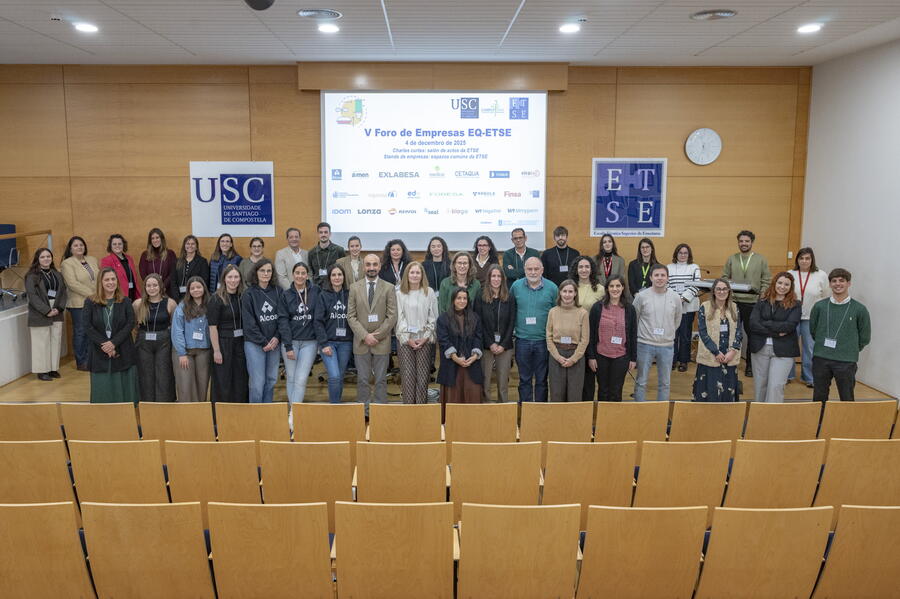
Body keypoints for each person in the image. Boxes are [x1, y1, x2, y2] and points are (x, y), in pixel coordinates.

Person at [809, 268, 871, 402]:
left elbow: (865, 337)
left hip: (846, 360)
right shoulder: (819, 306)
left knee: (846, 397)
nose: (838, 284)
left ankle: (847, 423)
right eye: (834, 281)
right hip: (821, 357)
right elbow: (813, 330)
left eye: (842, 281)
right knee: (819, 396)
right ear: (830, 284)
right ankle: (819, 422)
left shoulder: (859, 309)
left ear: (849, 283)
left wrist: (849, 348)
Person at [347, 254, 397, 412]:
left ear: (379, 266)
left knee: (381, 379)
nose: (371, 268)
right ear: (364, 267)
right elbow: (351, 316)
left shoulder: (388, 287)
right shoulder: (354, 287)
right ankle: (364, 409)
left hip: (381, 341)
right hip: (361, 342)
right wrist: (365, 336)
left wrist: (377, 335)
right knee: (362, 379)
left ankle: (381, 409)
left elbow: (392, 316)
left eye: (375, 264)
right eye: (368, 264)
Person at [84, 267, 139, 403]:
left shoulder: (125, 301)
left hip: (122, 348)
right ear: (100, 282)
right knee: (103, 387)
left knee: (123, 386)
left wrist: (113, 343)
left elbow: (130, 323)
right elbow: (87, 326)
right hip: (99, 350)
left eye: (113, 279)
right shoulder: (90, 302)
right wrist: (105, 344)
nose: (111, 282)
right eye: (107, 279)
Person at [723, 230, 771, 377]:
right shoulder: (732, 258)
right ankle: (731, 362)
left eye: (747, 241)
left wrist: (762, 294)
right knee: (732, 334)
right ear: (738, 242)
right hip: (734, 303)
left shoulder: (760, 259)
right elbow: (724, 277)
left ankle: (750, 365)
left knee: (752, 335)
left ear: (752, 242)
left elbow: (767, 280)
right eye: (741, 241)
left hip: (753, 303)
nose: (744, 244)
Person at [509, 257, 558, 402]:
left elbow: (557, 313)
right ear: (524, 270)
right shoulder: (516, 286)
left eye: (536, 269)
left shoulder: (552, 288)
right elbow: (511, 311)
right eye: (529, 269)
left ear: (542, 270)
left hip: (543, 341)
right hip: (522, 340)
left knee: (542, 380)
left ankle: (540, 411)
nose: (533, 272)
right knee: (524, 379)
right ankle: (525, 409)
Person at [632, 264, 683, 402]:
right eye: (656, 275)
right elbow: (634, 319)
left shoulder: (676, 297)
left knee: (665, 383)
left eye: (663, 275)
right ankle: (639, 410)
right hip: (644, 344)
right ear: (651, 277)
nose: (659, 278)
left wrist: (667, 332)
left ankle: (662, 413)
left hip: (666, 346)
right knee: (641, 381)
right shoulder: (641, 296)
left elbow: (677, 320)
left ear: (667, 278)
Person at [749, 273, 801, 403]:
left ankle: (772, 417)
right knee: (760, 385)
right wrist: (776, 332)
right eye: (780, 283)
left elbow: (789, 326)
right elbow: (753, 323)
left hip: (784, 350)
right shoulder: (762, 301)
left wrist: (766, 323)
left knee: (776, 386)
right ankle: (758, 415)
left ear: (791, 287)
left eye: (786, 284)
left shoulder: (796, 304)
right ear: (774, 283)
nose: (782, 286)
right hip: (760, 348)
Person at [587, 275, 637, 402]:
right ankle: (602, 419)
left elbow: (632, 334)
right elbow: (591, 334)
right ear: (607, 289)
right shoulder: (597, 308)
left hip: (621, 356)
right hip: (601, 355)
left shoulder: (630, 309)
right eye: (612, 286)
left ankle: (613, 420)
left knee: (616, 390)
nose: (615, 289)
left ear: (623, 288)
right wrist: (591, 357)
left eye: (618, 286)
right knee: (603, 390)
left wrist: (633, 358)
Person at [278, 262, 320, 408]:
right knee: (291, 377)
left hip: (310, 342)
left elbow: (319, 317)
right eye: (297, 273)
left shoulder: (316, 291)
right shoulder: (286, 294)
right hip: (291, 343)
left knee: (301, 379)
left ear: (307, 275)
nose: (300, 276)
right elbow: (283, 321)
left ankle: (294, 413)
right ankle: (293, 411)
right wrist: (288, 345)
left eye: (303, 273)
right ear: (293, 274)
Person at [395, 261, 439, 404]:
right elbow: (399, 317)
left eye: (417, 273)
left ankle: (421, 412)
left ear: (422, 275)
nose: (414, 275)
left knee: (422, 378)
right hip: (405, 340)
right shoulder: (399, 293)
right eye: (412, 272)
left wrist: (425, 337)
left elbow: (433, 316)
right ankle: (409, 412)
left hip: (424, 340)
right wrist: (407, 338)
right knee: (408, 378)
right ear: (407, 275)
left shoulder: (429, 292)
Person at [436, 287, 484, 416]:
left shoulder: (475, 318)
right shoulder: (443, 319)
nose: (462, 301)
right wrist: (455, 357)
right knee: (454, 398)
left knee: (473, 393)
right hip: (452, 365)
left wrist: (474, 356)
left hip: (471, 364)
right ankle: (452, 427)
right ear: (453, 300)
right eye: (459, 298)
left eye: (464, 298)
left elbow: (479, 338)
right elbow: (444, 341)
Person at [693, 279, 743, 402]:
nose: (722, 292)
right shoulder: (704, 307)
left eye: (724, 289)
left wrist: (733, 351)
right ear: (714, 291)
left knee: (727, 391)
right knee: (710, 391)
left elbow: (739, 331)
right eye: (718, 289)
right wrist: (715, 352)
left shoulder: (734, 307)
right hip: (712, 355)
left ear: (729, 291)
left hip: (729, 355)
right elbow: (703, 332)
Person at [241, 259, 282, 403]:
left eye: (269, 271)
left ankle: (267, 413)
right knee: (257, 383)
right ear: (256, 273)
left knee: (271, 380)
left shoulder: (278, 291)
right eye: (262, 271)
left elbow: (282, 318)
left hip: (274, 344)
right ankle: (255, 416)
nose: (266, 274)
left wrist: (276, 337)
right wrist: (263, 342)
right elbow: (249, 323)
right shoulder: (248, 294)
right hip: (255, 344)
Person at [788, 248, 830, 388]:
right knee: (789, 347)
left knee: (810, 349)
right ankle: (788, 375)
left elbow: (825, 295)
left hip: (811, 318)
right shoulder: (790, 274)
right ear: (797, 260)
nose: (804, 261)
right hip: (791, 317)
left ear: (812, 260)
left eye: (807, 258)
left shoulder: (821, 275)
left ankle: (809, 377)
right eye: (801, 258)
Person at [474, 264, 516, 403]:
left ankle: (503, 406)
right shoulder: (480, 295)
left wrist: (502, 344)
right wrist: (490, 343)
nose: (496, 279)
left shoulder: (509, 297)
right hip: (486, 345)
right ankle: (486, 404)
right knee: (485, 379)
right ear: (489, 278)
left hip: (505, 345)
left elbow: (512, 323)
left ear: (503, 278)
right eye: (493, 276)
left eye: (499, 276)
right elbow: (478, 322)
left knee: (503, 380)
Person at [132, 273, 176, 402]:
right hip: (144, 342)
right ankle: (147, 402)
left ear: (160, 286)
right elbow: (134, 325)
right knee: (146, 373)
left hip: (164, 342)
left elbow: (174, 325)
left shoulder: (171, 303)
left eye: (155, 285)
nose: (152, 288)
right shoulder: (137, 304)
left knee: (164, 373)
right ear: (145, 287)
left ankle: (164, 402)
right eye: (149, 285)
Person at [208, 264, 249, 404]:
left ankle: (240, 412)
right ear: (224, 279)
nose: (233, 280)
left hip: (241, 342)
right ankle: (222, 414)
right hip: (223, 342)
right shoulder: (216, 298)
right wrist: (216, 351)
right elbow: (212, 327)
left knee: (240, 379)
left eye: (236, 277)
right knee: (223, 380)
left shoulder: (243, 296)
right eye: (230, 277)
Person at [25, 248, 68, 381]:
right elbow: (32, 297)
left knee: (55, 340)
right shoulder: (31, 276)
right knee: (41, 342)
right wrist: (46, 310)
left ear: (52, 258)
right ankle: (42, 371)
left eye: (48, 256)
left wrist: (59, 308)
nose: (46, 259)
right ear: (37, 259)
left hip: (56, 310)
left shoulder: (57, 274)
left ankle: (52, 368)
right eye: (42, 257)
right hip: (40, 312)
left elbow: (63, 293)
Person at [546, 280, 589, 402]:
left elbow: (584, 339)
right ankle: (558, 421)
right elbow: (548, 337)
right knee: (556, 394)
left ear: (575, 293)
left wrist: (573, 359)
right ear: (560, 292)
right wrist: (558, 357)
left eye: (570, 291)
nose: (567, 294)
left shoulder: (583, 313)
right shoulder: (553, 312)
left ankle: (573, 421)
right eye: (564, 291)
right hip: (556, 356)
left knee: (574, 394)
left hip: (576, 356)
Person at [315, 264, 353, 403]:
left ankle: (337, 403)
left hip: (346, 343)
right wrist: (323, 344)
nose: (337, 278)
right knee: (334, 376)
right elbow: (318, 322)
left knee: (340, 376)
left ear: (344, 277)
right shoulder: (323, 296)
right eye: (334, 275)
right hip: (328, 343)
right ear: (329, 278)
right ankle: (334, 406)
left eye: (339, 275)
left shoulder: (350, 294)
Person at [170, 276, 211, 403]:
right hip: (184, 352)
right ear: (188, 291)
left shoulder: (211, 305)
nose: (196, 290)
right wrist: (181, 353)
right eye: (192, 288)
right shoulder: (181, 307)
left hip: (204, 351)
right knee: (185, 386)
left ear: (204, 288)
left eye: (198, 287)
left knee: (202, 386)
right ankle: (187, 416)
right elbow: (177, 331)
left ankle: (200, 415)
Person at [60, 236, 99, 371]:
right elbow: (72, 284)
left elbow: (99, 279)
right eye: (76, 245)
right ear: (70, 249)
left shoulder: (92, 260)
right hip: (78, 303)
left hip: (95, 301)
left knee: (92, 331)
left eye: (81, 245)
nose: (79, 247)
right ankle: (82, 361)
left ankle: (91, 359)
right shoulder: (67, 263)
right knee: (81, 332)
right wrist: (92, 295)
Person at [668, 243, 701, 372]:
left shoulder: (694, 267)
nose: (682, 255)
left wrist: (683, 298)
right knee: (673, 335)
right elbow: (666, 284)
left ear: (689, 255)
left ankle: (683, 360)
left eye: (685, 253)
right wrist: (677, 299)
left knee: (685, 334)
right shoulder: (669, 267)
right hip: (673, 306)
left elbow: (696, 284)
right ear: (676, 254)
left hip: (689, 305)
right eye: (680, 253)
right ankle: (672, 359)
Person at [100, 233, 140, 301]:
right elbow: (107, 281)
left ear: (123, 245)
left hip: (133, 294)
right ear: (110, 246)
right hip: (118, 296)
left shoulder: (129, 258)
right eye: (114, 244)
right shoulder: (106, 260)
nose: (117, 246)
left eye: (120, 244)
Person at [171, 235, 210, 302]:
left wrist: (196, 295)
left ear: (196, 247)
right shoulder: (177, 261)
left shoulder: (202, 262)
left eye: (193, 244)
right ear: (184, 246)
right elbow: (173, 281)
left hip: (196, 297)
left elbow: (204, 281)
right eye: (188, 244)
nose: (190, 246)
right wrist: (176, 297)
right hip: (179, 297)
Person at [308, 222, 345, 288]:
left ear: (330, 234)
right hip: (316, 288)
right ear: (318, 234)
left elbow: (343, 270)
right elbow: (310, 272)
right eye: (321, 232)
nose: (323, 234)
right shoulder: (311, 252)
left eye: (325, 232)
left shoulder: (339, 250)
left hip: (333, 287)